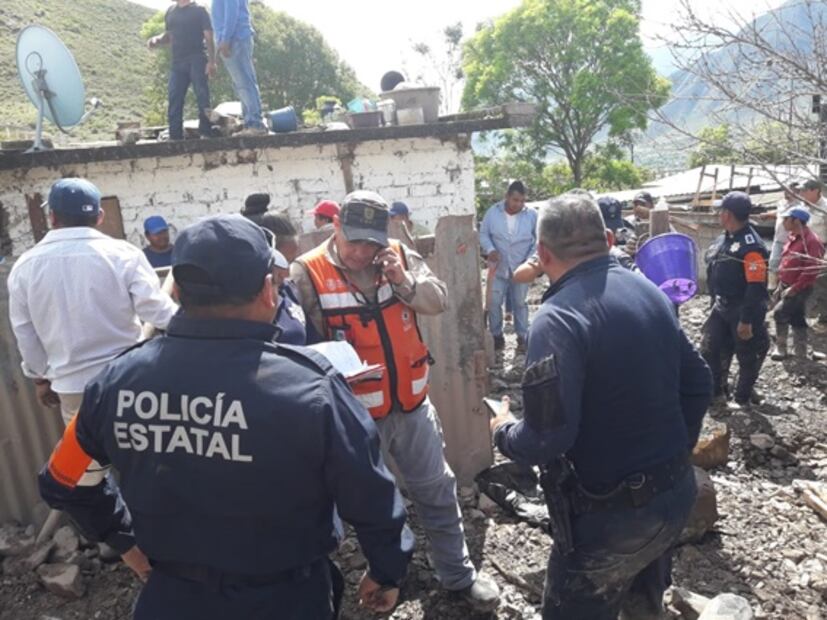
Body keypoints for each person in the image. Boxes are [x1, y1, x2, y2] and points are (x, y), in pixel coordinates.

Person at [38, 214, 414, 619]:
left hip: (171, 599)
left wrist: (125, 544)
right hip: (285, 600)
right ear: (269, 291)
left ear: (177, 291)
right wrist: (386, 571)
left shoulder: (115, 383)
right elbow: (372, 498)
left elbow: (65, 479)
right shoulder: (311, 390)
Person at [490, 193, 711, 620]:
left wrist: (503, 429)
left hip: (611, 523)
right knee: (644, 601)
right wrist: (673, 455)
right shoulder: (651, 291)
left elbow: (546, 438)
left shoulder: (557, 319)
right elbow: (698, 383)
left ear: (542, 254)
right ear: (608, 238)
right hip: (675, 496)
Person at [291, 191, 500, 611]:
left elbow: (437, 301)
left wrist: (403, 281)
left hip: (411, 405)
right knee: (370, 508)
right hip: (353, 419)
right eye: (353, 242)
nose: (362, 252)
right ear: (335, 227)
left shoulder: (399, 256)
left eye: (371, 242)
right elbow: (298, 348)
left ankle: (457, 575)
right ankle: (384, 578)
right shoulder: (307, 272)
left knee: (437, 491)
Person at [7, 178, 178, 427]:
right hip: (129, 378)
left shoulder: (25, 267)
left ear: (52, 217)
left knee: (88, 462)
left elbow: (25, 334)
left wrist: (42, 378)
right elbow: (158, 312)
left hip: (73, 387)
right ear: (99, 216)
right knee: (140, 457)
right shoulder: (124, 255)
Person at [701, 192, 770, 408]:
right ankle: (717, 392)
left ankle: (742, 399)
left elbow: (756, 285)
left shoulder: (751, 246)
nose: (718, 215)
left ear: (728, 214)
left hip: (743, 307)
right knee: (710, 347)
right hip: (722, 304)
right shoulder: (726, 237)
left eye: (720, 211)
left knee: (747, 354)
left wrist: (747, 319)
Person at [480, 181, 538, 351]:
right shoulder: (493, 213)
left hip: (522, 267)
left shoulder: (532, 215)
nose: (518, 204)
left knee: (520, 302)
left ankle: (523, 337)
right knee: (494, 303)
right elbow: (483, 234)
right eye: (515, 200)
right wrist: (490, 249)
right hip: (498, 268)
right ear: (507, 197)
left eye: (522, 201)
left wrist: (530, 261)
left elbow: (537, 241)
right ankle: (497, 337)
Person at [148, 0, 217, 141]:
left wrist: (212, 61)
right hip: (177, 61)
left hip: (197, 58)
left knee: (202, 95)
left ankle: (205, 132)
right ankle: (175, 136)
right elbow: (169, 36)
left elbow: (209, 36)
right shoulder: (171, 11)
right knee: (174, 97)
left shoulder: (200, 10)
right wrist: (157, 40)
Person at [770, 206, 825, 360]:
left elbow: (811, 270)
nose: (783, 222)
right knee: (797, 317)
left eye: (786, 219)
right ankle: (802, 351)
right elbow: (786, 264)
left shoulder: (812, 242)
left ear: (796, 221)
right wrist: (780, 286)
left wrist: (794, 288)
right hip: (787, 285)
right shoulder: (793, 237)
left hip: (800, 288)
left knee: (779, 313)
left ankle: (781, 348)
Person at [211, 0, 267, 136]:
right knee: (242, 83)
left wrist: (225, 38)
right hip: (234, 38)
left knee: (244, 82)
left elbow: (231, 11)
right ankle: (250, 121)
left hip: (235, 38)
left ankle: (255, 124)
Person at [759, 182, 801, 287]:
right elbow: (779, 212)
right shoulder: (782, 203)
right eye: (785, 190)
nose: (786, 193)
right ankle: (771, 287)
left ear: (796, 192)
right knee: (773, 263)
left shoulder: (800, 205)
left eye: (789, 191)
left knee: (787, 266)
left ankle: (785, 288)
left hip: (791, 241)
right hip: (778, 239)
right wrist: (768, 214)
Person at [799, 179, 827, 323]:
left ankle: (824, 318)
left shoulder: (825, 208)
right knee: (805, 281)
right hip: (805, 250)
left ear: (815, 190)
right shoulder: (805, 207)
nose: (801, 194)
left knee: (822, 283)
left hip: (822, 250)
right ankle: (805, 314)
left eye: (804, 191)